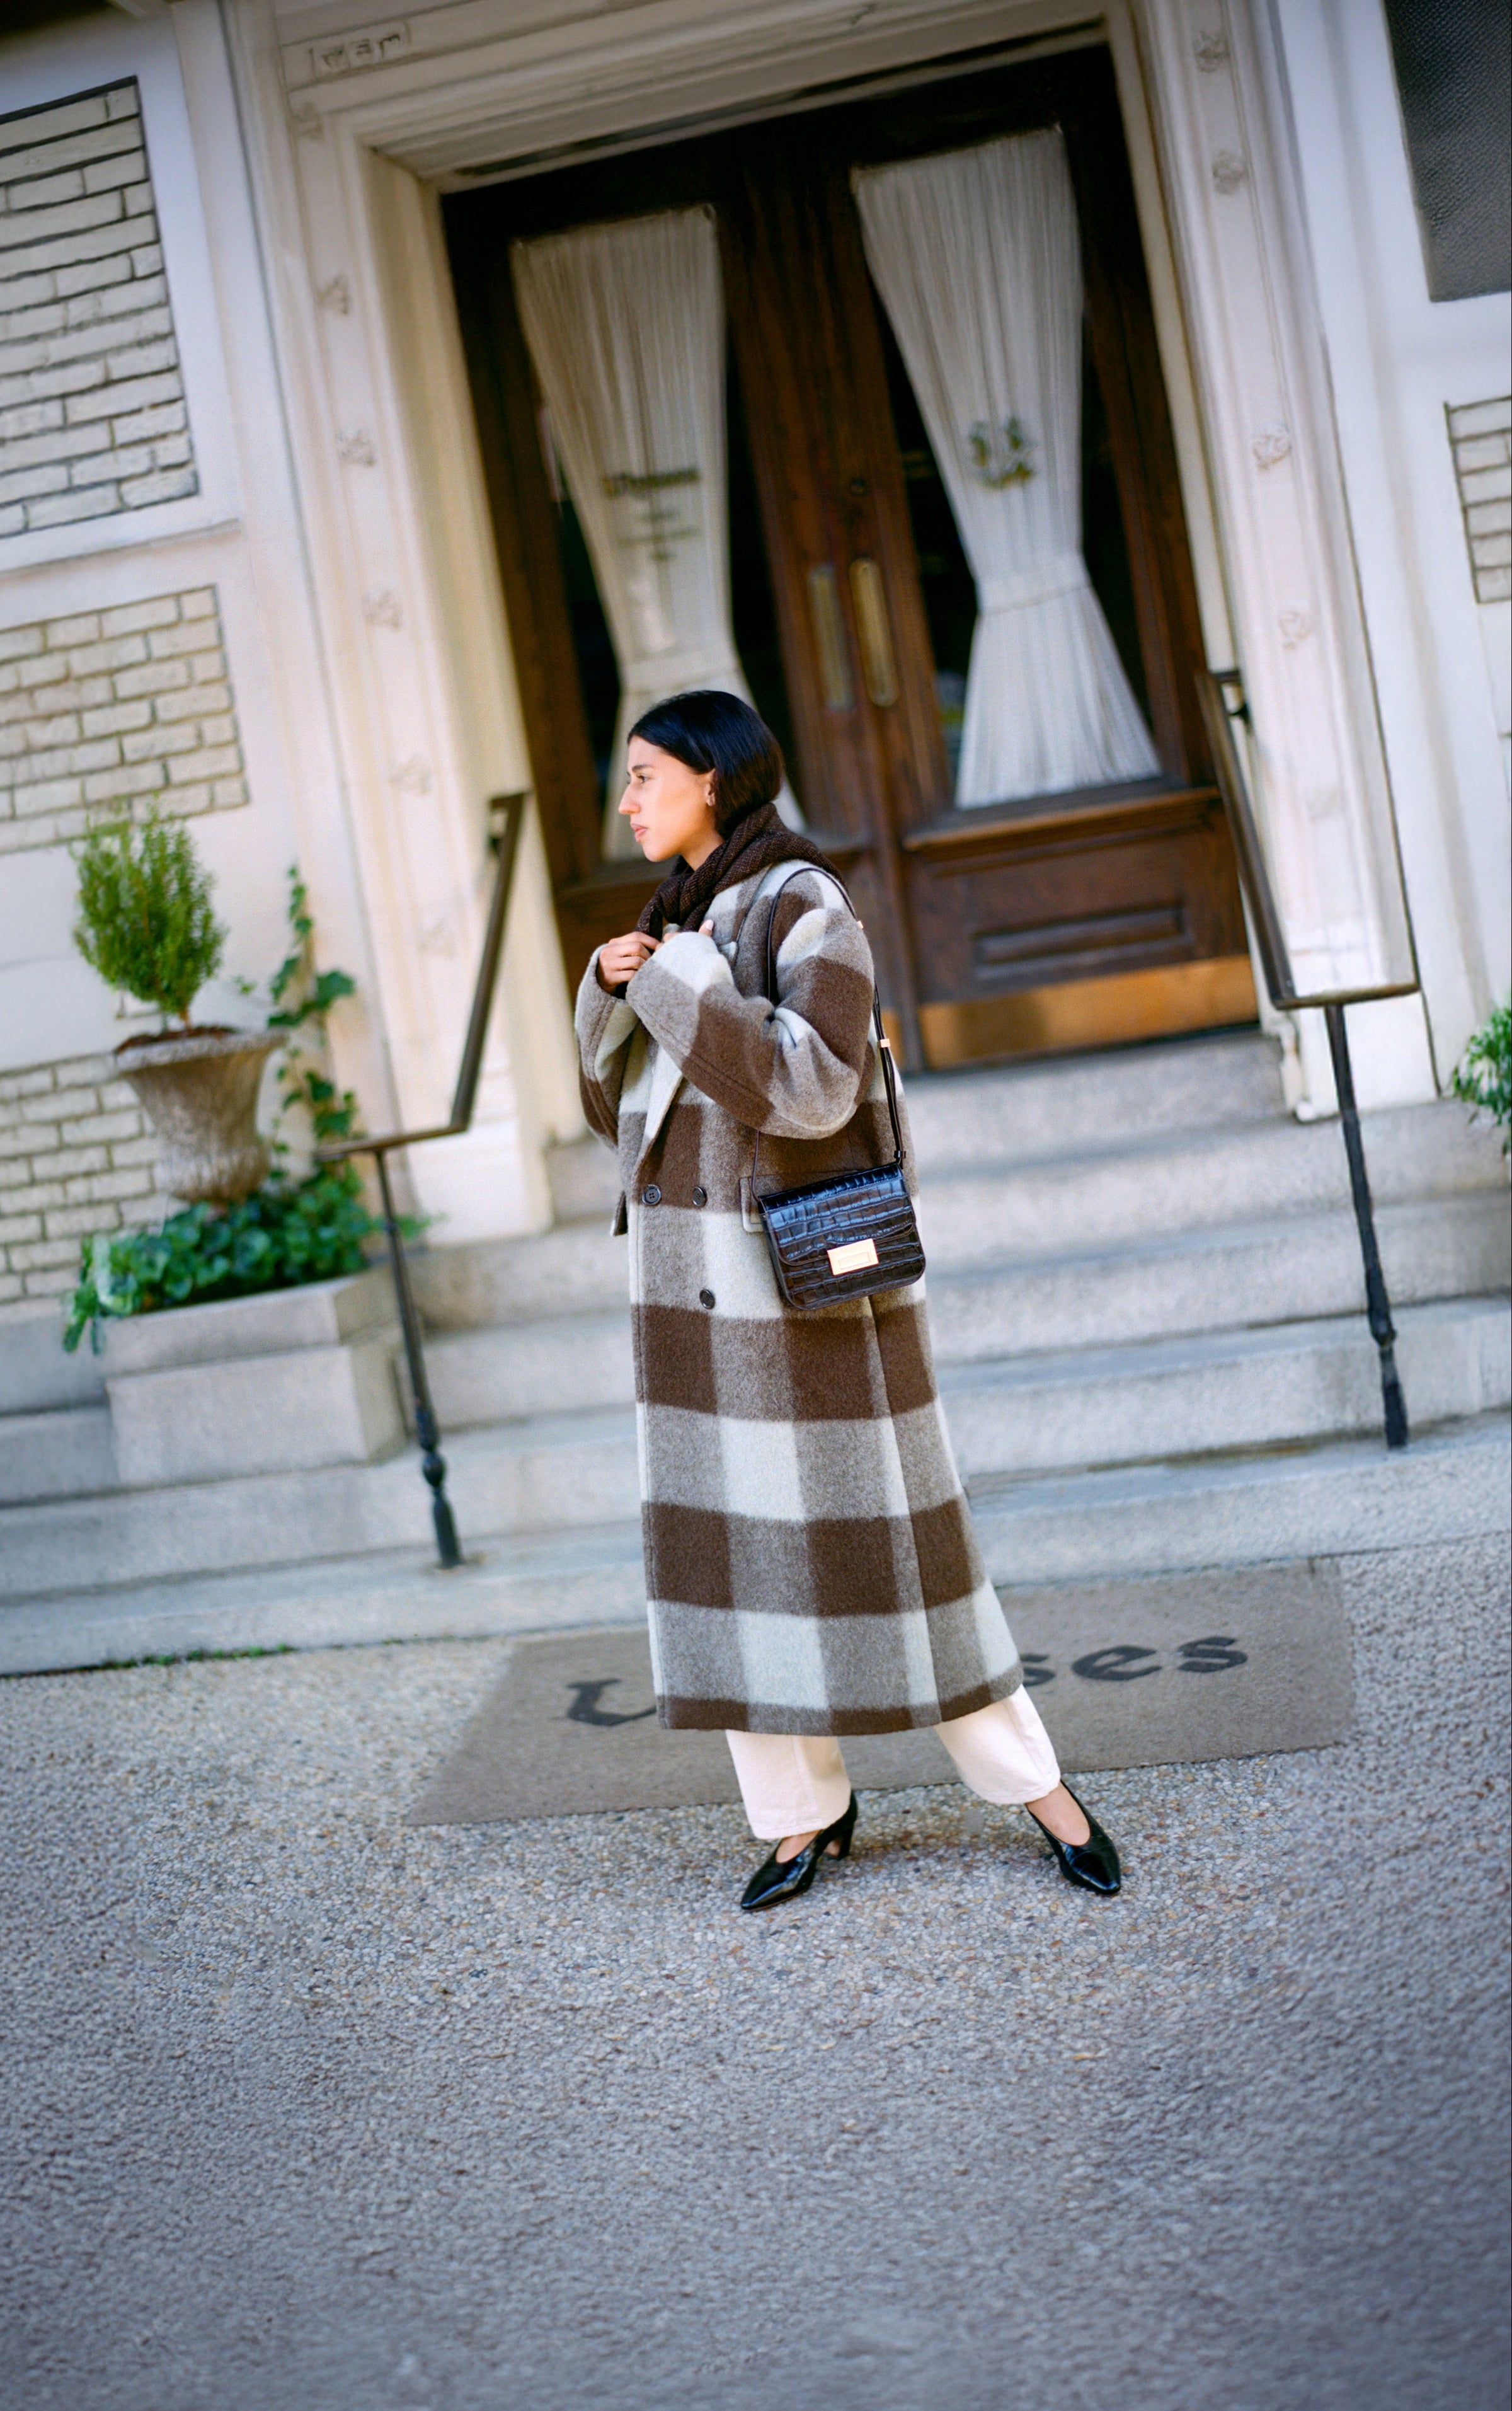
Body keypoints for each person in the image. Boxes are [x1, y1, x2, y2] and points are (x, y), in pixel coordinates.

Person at [575, 689, 1121, 1911]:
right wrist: (613, 992)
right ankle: (796, 1816)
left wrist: (668, 986)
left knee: (903, 1557)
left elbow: (814, 1088)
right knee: (733, 1570)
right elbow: (628, 1120)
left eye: (647, 774)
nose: (628, 799)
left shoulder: (805, 901)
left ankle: (1042, 1790)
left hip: (798, 1292)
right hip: (695, 1298)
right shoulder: (679, 915)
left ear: (715, 777)